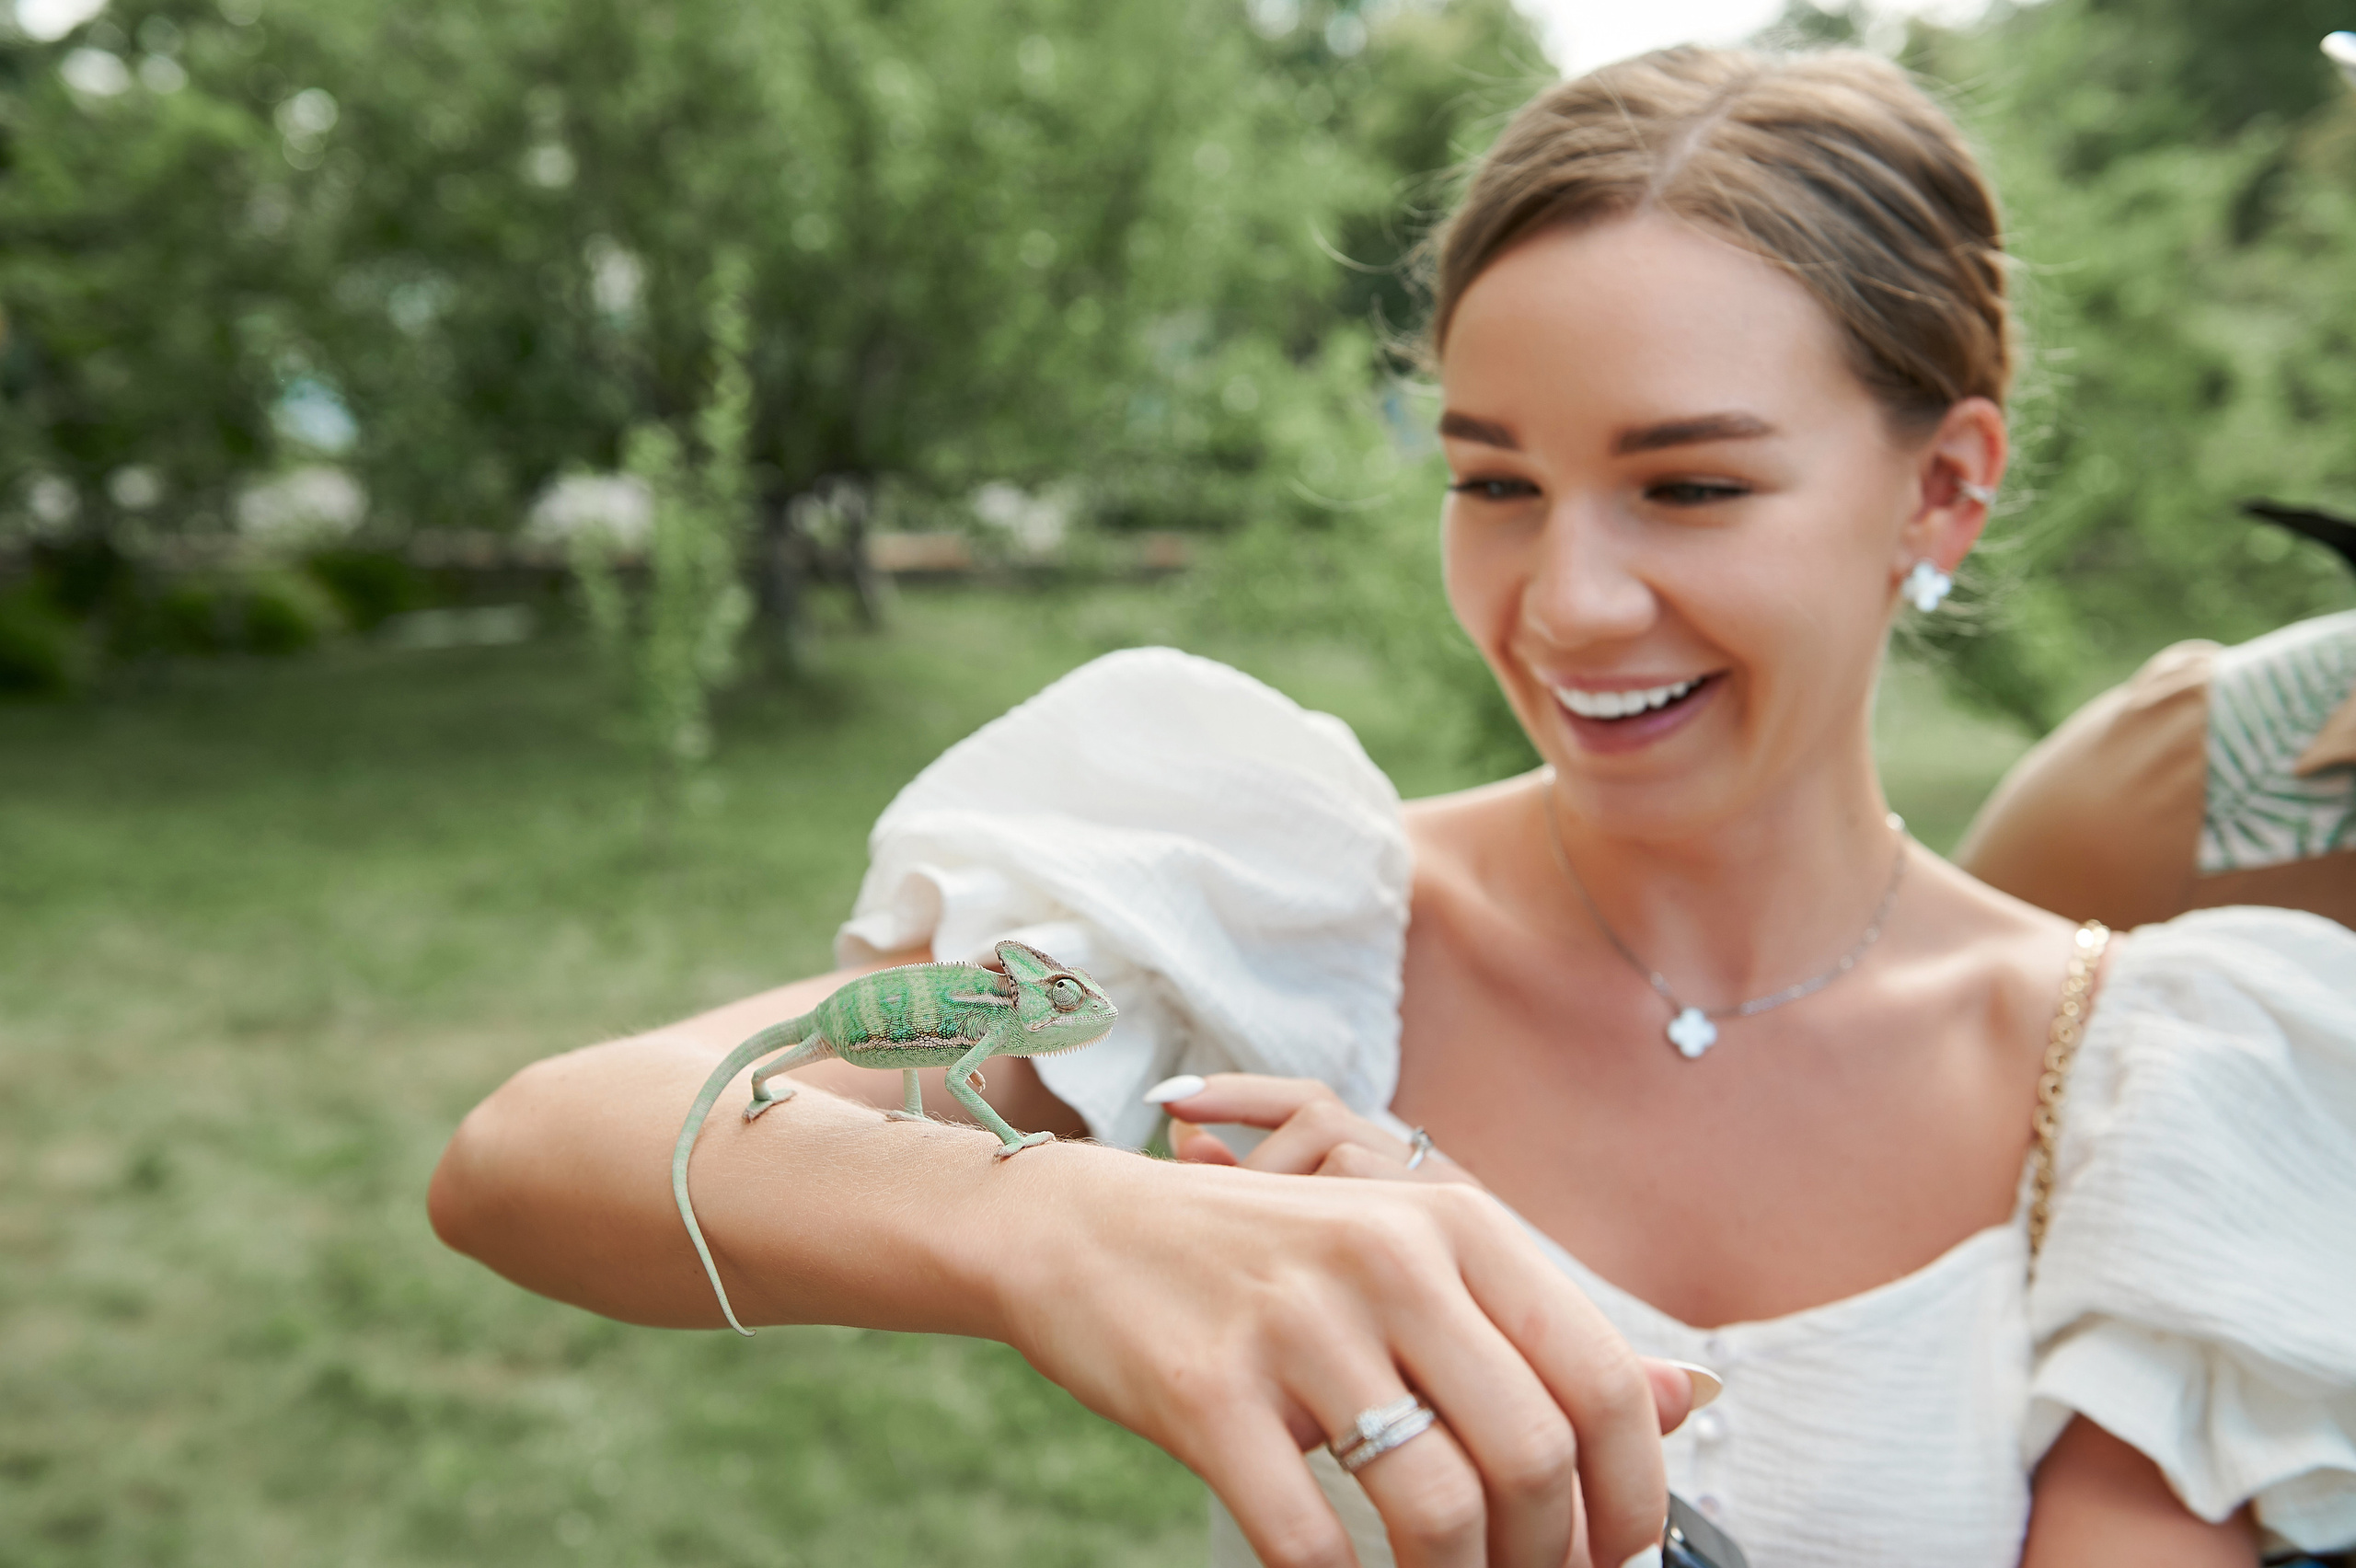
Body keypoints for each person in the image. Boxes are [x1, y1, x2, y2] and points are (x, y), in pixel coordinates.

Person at [427, 45, 2356, 1568]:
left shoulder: (2158, 1080)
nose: (1565, 599)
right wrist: (1054, 1225)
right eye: (1494, 480)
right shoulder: (1270, 919)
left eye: (1686, 489)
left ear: (1940, 488)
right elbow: (537, 1154)